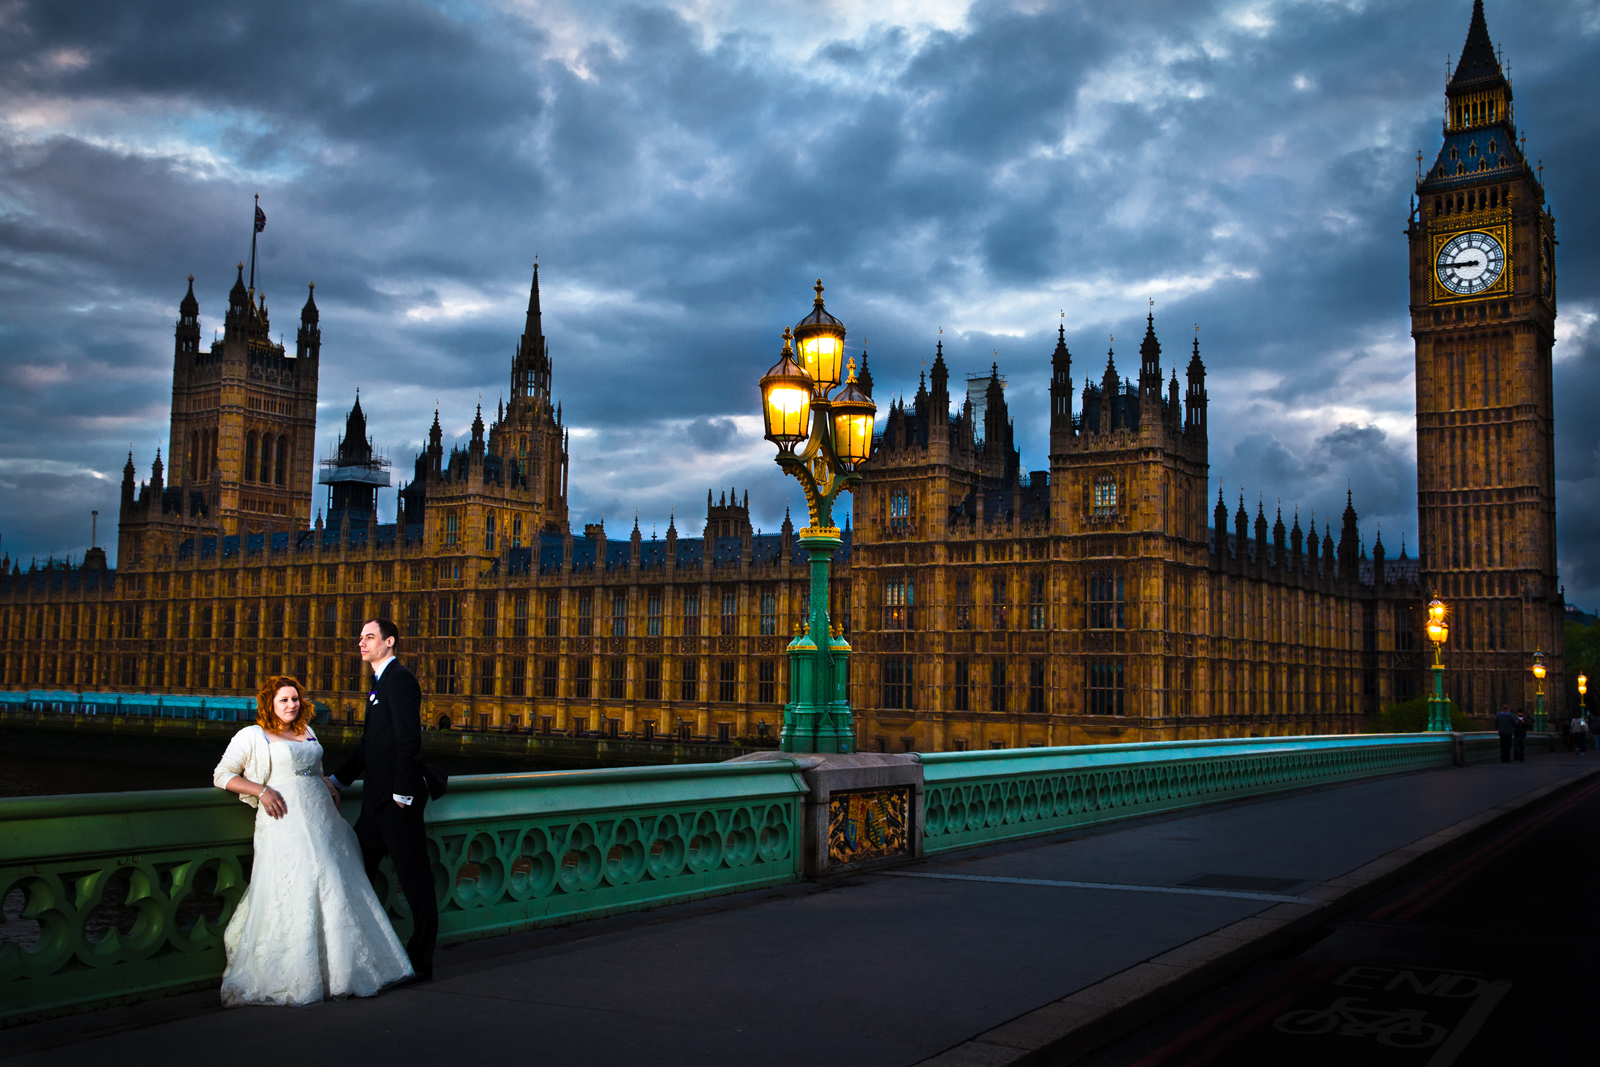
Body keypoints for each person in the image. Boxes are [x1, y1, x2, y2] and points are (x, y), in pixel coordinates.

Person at [212, 675, 412, 1006]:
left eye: (294, 699)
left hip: (323, 821)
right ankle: (299, 976)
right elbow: (223, 774)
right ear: (269, 704)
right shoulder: (252, 735)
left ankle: (338, 974)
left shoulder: (308, 731)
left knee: (336, 888)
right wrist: (261, 790)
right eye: (283, 700)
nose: (291, 705)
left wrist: (328, 784)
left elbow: (314, 769)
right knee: (299, 887)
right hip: (284, 822)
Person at [329, 619, 438, 983]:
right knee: (353, 870)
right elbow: (369, 745)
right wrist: (336, 780)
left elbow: (409, 740)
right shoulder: (378, 684)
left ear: (389, 642)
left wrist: (402, 794)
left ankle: (420, 962)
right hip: (375, 802)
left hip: (396, 801)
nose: (361, 643)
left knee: (415, 881)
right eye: (359, 637)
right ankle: (364, 951)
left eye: (369, 637)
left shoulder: (401, 679)